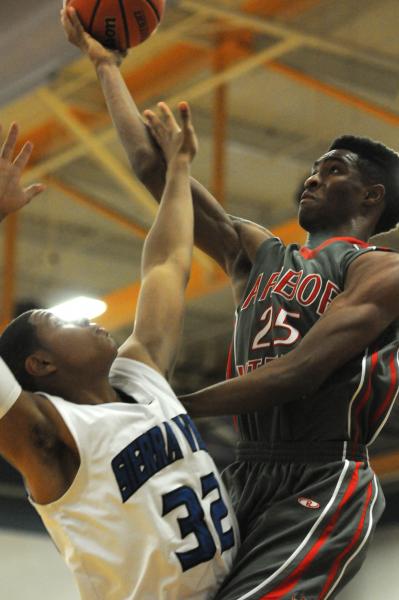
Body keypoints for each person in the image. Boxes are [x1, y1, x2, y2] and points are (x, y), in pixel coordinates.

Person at [61, 7, 399, 598]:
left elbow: (299, 373)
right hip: (242, 472)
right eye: (313, 169)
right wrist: (106, 66)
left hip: (323, 473)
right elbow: (154, 169)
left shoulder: (380, 271)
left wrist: (169, 409)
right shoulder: (258, 252)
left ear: (371, 196)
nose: (312, 179)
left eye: (333, 171)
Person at [0, 102, 238, 598]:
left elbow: (167, 263)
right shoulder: (47, 436)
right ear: (40, 363)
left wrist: (178, 170)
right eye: (60, 322)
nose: (86, 320)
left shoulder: (141, 371)